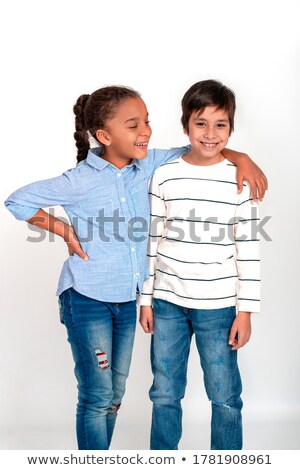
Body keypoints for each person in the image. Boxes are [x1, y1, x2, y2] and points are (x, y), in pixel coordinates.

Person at [4, 85, 266, 450]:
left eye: (146, 121)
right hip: (87, 296)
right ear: (104, 136)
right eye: (133, 125)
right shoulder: (79, 180)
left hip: (128, 301)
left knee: (116, 393)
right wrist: (63, 230)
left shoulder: (151, 164)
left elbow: (201, 146)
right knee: (99, 394)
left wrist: (244, 157)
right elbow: (16, 200)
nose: (144, 131)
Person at [139, 79, 261, 450]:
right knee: (164, 392)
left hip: (220, 306)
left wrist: (246, 311)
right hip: (167, 303)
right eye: (201, 123)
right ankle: (163, 457)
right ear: (185, 126)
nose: (210, 134)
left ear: (231, 128)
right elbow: (153, 239)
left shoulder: (241, 179)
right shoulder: (165, 174)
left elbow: (249, 248)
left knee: (224, 395)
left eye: (220, 124)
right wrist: (146, 298)